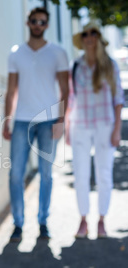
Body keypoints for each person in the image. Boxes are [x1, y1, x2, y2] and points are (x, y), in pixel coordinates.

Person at [3, 7, 69, 242]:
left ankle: (43, 222)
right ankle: (18, 224)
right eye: (34, 21)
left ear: (47, 25)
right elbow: (11, 90)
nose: (38, 25)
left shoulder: (58, 53)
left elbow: (65, 89)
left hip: (49, 121)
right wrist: (7, 119)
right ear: (28, 23)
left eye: (42, 21)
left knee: (46, 175)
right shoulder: (16, 53)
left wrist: (61, 119)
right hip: (21, 121)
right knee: (15, 175)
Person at [66, 21, 124, 239]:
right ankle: (83, 220)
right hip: (80, 125)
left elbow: (118, 99)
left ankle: (101, 220)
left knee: (104, 175)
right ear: (82, 39)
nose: (89, 37)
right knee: (80, 175)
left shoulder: (110, 65)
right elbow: (71, 99)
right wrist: (68, 126)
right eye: (85, 34)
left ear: (98, 37)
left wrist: (117, 129)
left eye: (93, 33)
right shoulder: (76, 65)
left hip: (105, 124)